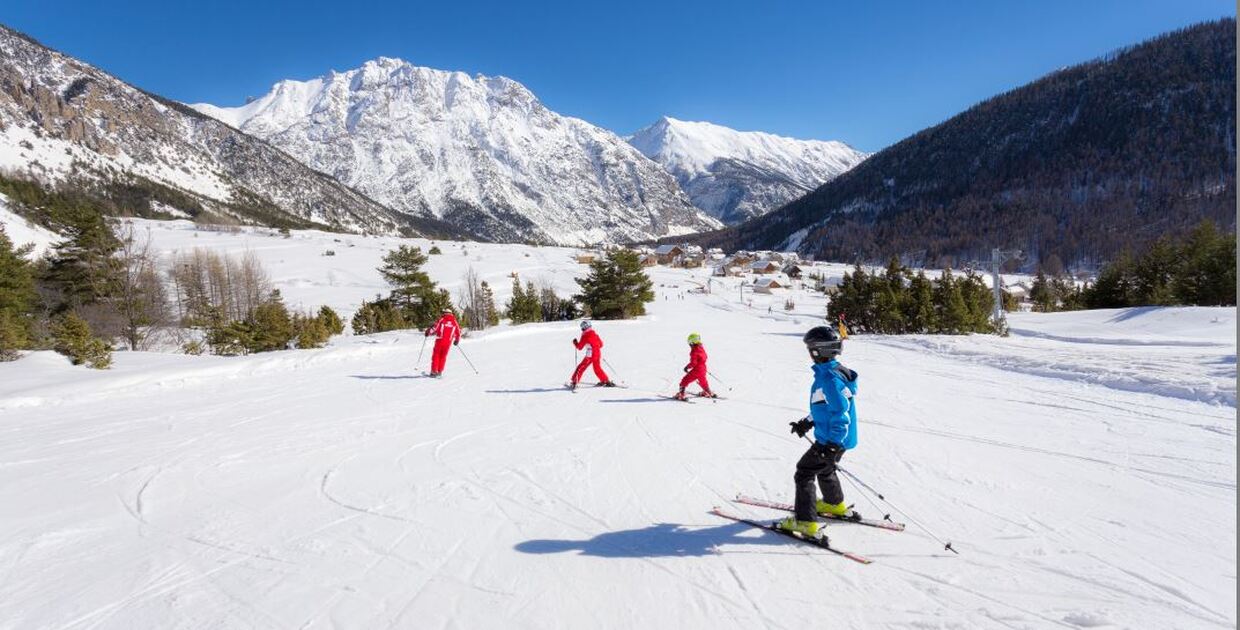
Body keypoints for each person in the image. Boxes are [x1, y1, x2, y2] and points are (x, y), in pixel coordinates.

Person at [780, 326, 859, 538]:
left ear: (818, 351)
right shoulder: (834, 371)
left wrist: (831, 444)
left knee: (804, 472)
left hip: (832, 439)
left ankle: (805, 522)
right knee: (825, 468)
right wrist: (807, 422)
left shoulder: (829, 379)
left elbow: (840, 413)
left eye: (810, 349)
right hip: (839, 438)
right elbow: (824, 406)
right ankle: (834, 503)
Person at [571, 320, 615, 390]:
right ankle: (605, 380)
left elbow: (579, 347)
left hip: (590, 354)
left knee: (581, 367)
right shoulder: (595, 334)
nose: (582, 328)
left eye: (582, 327)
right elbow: (601, 345)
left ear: (585, 327)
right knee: (597, 368)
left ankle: (574, 381)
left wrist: (575, 343)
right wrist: (594, 346)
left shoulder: (585, 335)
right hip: (597, 353)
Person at [674, 333, 716, 400]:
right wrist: (701, 365)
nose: (689, 345)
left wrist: (687, 367)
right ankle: (708, 392)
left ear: (693, 342)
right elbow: (704, 357)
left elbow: (693, 363)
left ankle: (681, 394)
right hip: (703, 368)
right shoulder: (701, 348)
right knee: (703, 381)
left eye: (690, 343)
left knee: (684, 381)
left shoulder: (694, 351)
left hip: (697, 370)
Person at [425, 308, 461, 377]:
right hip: (448, 342)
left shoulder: (442, 320)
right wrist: (457, 340)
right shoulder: (454, 321)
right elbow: (458, 332)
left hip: (440, 340)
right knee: (443, 356)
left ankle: (434, 372)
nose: (443, 314)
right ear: (451, 313)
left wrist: (428, 332)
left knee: (436, 355)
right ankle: (440, 371)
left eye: (444, 312)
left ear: (445, 313)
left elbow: (435, 328)